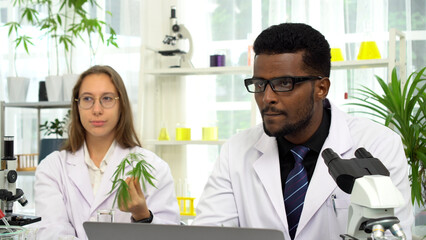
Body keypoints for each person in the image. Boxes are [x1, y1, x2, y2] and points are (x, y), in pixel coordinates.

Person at [192, 23, 413, 240]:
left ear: (321, 88)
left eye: (284, 83)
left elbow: (393, 233)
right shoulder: (236, 151)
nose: (267, 97)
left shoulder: (379, 144)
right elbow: (210, 232)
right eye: (260, 84)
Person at [35, 65, 180, 239]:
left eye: (107, 98)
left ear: (121, 105)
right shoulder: (52, 168)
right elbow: (52, 233)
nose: (97, 110)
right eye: (87, 99)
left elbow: (170, 236)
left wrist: (143, 216)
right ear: (77, 105)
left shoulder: (154, 167)